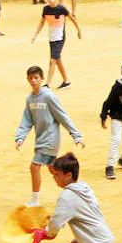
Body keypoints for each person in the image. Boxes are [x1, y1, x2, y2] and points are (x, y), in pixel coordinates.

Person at [14, 65, 84, 208]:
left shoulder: (48, 96)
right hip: (41, 140)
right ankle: (76, 193)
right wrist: (20, 137)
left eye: (36, 78)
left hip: (50, 140)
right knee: (55, 171)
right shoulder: (30, 99)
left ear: (42, 79)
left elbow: (62, 116)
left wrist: (75, 135)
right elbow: (27, 120)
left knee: (34, 167)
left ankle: (35, 200)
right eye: (30, 78)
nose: (33, 81)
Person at [31, 0, 81, 89]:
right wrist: (36, 35)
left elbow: (72, 18)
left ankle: (47, 84)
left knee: (52, 60)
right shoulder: (45, 9)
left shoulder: (61, 9)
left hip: (60, 38)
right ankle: (66, 81)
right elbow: (42, 22)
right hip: (52, 37)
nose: (51, 0)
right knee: (57, 59)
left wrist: (79, 30)